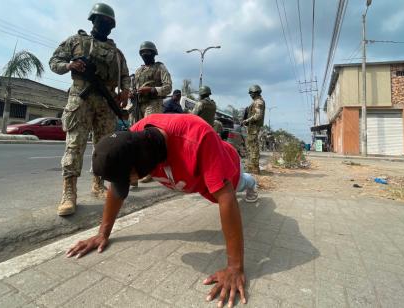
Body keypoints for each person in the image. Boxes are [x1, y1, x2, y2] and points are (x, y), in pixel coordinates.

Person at [66, 114, 258, 307]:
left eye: (129, 177)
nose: (130, 182)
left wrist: (235, 268)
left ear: (143, 160)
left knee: (241, 183)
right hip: (195, 182)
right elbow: (116, 191)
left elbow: (227, 198)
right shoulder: (134, 140)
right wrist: (102, 233)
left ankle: (253, 184)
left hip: (229, 168)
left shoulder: (198, 136)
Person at [49, 3, 130, 216]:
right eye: (101, 21)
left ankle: (98, 185)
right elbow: (54, 61)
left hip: (106, 102)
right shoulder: (76, 42)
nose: (105, 25)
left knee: (104, 147)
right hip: (81, 98)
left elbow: (125, 77)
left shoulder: (117, 53)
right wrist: (70, 66)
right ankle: (69, 193)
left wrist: (125, 91)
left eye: (109, 23)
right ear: (92, 20)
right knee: (75, 145)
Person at [131, 41, 172, 183]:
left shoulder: (160, 67)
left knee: (148, 138)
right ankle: (135, 170)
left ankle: (150, 170)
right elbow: (133, 87)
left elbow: (168, 87)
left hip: (153, 103)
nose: (145, 55)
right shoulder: (138, 71)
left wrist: (152, 89)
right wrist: (132, 93)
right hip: (138, 105)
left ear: (154, 54)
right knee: (135, 137)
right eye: (142, 52)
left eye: (148, 52)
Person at [242, 85, 265, 174]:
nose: (250, 95)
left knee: (253, 147)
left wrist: (246, 121)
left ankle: (254, 168)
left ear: (254, 93)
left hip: (254, 127)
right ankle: (252, 166)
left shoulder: (258, 102)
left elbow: (258, 115)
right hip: (252, 127)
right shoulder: (257, 101)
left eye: (251, 93)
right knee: (250, 146)